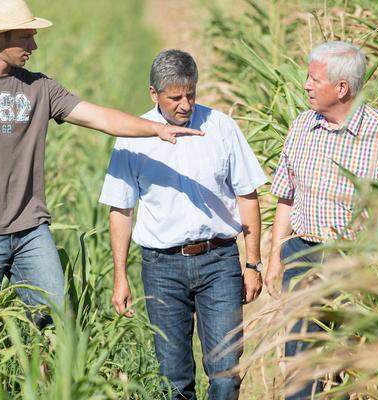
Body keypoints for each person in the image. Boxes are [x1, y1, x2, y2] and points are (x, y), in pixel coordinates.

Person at [0, 0, 202, 326]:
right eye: (26, 36)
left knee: (58, 323)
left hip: (32, 230)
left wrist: (157, 129)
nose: (34, 45)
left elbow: (99, 117)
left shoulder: (40, 87)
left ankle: (50, 376)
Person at [99, 49, 268, 400]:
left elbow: (248, 197)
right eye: (175, 97)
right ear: (153, 94)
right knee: (173, 379)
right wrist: (120, 276)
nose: (185, 104)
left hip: (219, 262)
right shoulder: (132, 137)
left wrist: (252, 263)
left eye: (190, 94)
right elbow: (121, 210)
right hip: (161, 268)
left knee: (225, 374)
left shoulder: (222, 128)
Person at [264, 41, 378, 399]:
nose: (305, 85)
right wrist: (275, 257)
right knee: (299, 355)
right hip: (301, 255)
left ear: (342, 88)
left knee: (352, 356)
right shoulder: (303, 125)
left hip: (356, 262)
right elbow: (286, 196)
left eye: (313, 79)